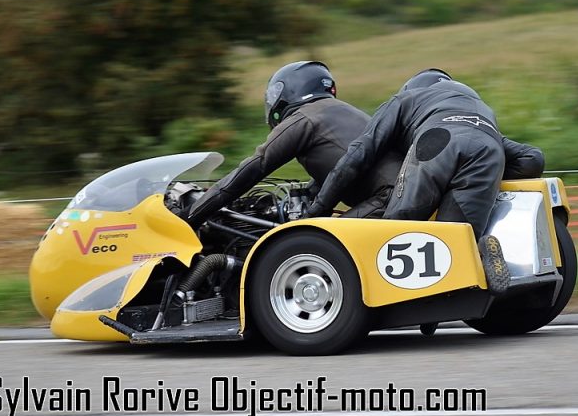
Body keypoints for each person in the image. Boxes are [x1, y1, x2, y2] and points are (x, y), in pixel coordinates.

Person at [307, 68, 545, 294]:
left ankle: (404, 303)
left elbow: (359, 153)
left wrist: (319, 208)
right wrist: (487, 179)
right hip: (489, 151)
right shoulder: (481, 109)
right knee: (456, 243)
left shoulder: (406, 99)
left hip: (435, 140)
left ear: (412, 87)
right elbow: (532, 160)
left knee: (397, 233)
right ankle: (482, 252)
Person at [183, 61, 401, 229]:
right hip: (402, 192)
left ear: (290, 89)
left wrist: (191, 215)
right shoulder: (339, 111)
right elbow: (333, 172)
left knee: (314, 243)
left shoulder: (304, 118)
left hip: (386, 199)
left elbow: (252, 168)